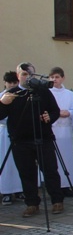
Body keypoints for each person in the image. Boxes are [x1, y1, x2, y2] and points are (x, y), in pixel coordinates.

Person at [0, 62, 64, 217]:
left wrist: (51, 116)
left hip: (44, 138)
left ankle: (57, 200)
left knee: (50, 171)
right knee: (27, 173)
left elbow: (55, 111)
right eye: (24, 74)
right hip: (20, 141)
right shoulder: (11, 94)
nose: (27, 77)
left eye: (30, 74)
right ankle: (32, 203)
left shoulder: (43, 92)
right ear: (18, 76)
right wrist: (2, 103)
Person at [49, 67, 73, 196]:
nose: (54, 80)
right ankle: (55, 187)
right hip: (53, 130)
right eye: (52, 77)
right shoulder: (47, 92)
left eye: (57, 77)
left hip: (66, 131)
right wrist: (56, 113)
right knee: (53, 159)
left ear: (63, 78)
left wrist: (69, 112)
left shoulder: (69, 94)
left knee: (67, 158)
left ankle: (66, 185)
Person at [0, 71, 24, 206]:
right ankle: (6, 191)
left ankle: (19, 189)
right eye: (10, 83)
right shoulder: (1, 97)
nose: (12, 85)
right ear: (5, 83)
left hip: (18, 133)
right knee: (6, 161)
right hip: (4, 134)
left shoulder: (21, 96)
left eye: (15, 83)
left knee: (18, 162)